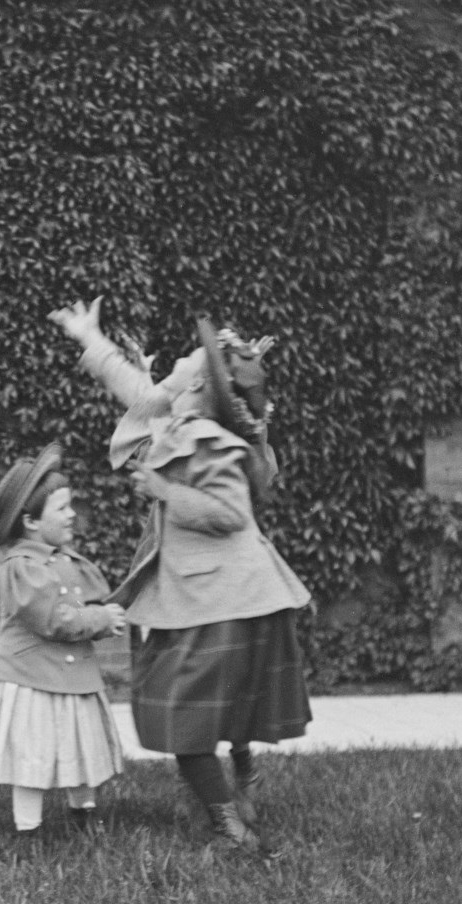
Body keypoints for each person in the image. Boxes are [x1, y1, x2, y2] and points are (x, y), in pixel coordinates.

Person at [51, 299, 312, 849]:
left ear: (198, 392)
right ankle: (236, 787)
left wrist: (167, 491)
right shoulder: (178, 426)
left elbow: (229, 514)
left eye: (186, 365)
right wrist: (88, 337)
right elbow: (136, 391)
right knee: (204, 709)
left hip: (225, 601)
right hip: (206, 597)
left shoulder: (207, 441)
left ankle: (229, 822)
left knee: (180, 712)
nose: (173, 368)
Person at [0, 444, 129, 836]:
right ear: (31, 522)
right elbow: (54, 619)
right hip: (29, 677)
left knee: (80, 744)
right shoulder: (22, 565)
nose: (72, 514)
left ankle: (84, 814)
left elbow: (80, 604)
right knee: (32, 754)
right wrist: (98, 618)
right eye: (62, 509)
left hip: (71, 677)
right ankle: (28, 829)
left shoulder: (62, 557)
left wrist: (103, 617)